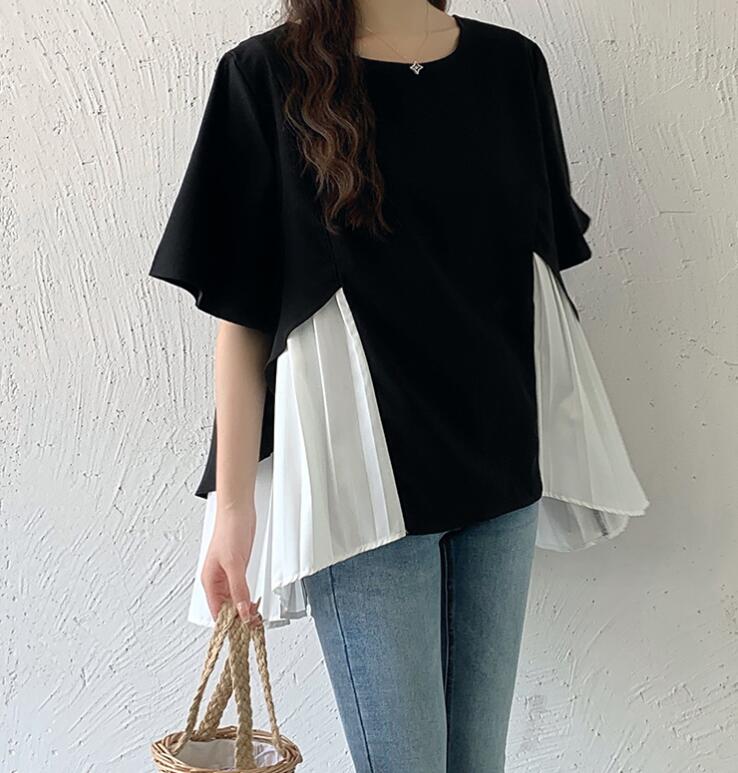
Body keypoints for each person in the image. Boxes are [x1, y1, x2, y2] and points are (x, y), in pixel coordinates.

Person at [148, 2, 649, 770]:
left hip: (501, 479)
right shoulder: (268, 74)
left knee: (478, 761)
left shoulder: (511, 67)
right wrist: (234, 509)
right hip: (365, 500)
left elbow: (535, 278)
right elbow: (245, 316)